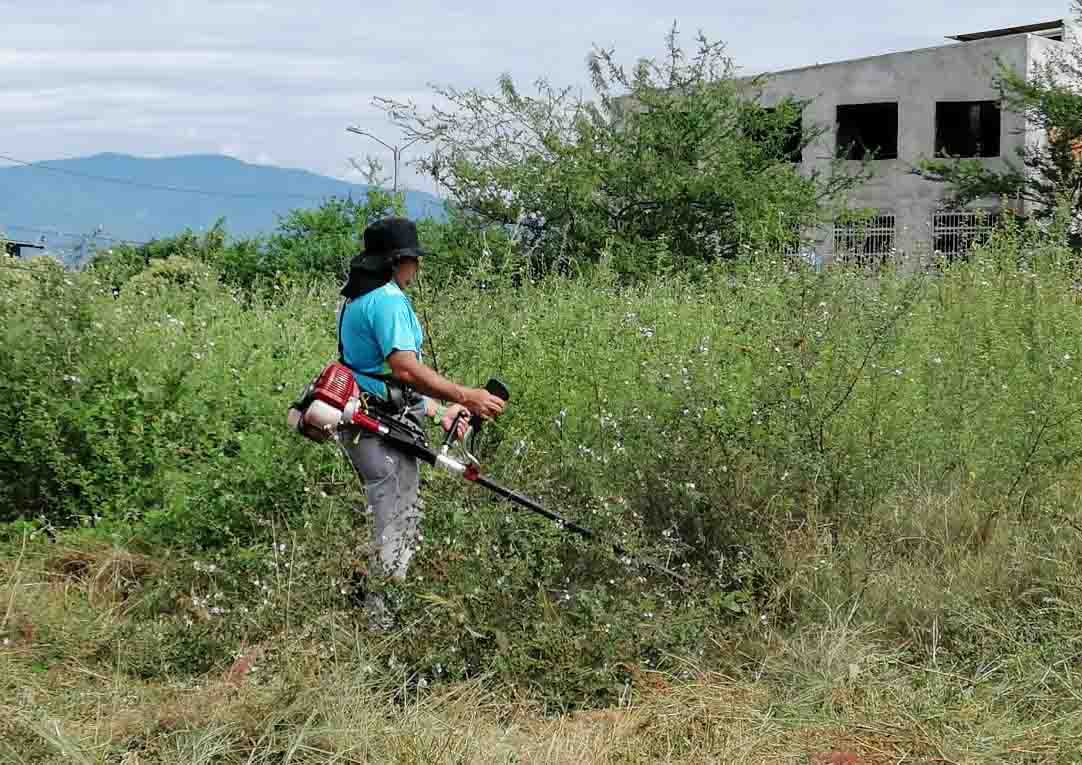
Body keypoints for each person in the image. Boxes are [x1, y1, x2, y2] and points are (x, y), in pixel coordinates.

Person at [336, 216, 506, 628]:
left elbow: (378, 373)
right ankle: (382, 627)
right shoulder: (389, 300)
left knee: (390, 513)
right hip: (378, 427)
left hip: (366, 421)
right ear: (399, 261)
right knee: (401, 520)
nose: (417, 268)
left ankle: (361, 596)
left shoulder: (358, 299)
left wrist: (437, 409)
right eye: (413, 259)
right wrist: (467, 396)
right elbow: (405, 370)